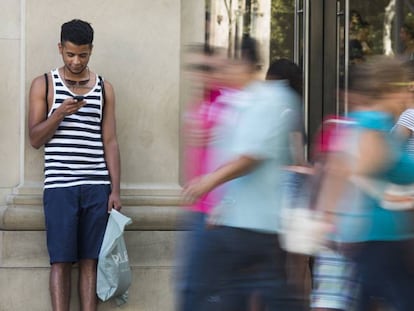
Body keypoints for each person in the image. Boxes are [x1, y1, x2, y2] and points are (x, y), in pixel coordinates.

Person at [183, 35, 305, 311]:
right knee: (230, 295)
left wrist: (208, 183)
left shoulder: (270, 99)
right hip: (239, 224)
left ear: (247, 65)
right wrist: (221, 204)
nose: (223, 71)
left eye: (230, 64)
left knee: (218, 294)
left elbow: (250, 157)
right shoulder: (239, 102)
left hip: (259, 225)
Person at [28, 19, 121, 311]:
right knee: (60, 261)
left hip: (96, 185)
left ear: (91, 51)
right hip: (59, 187)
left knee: (90, 262)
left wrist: (115, 191)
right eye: (70, 54)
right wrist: (59, 115)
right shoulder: (43, 83)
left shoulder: (105, 88)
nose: (76, 60)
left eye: (82, 54)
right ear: (60, 49)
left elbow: (111, 142)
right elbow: (34, 138)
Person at [315, 56, 414, 311]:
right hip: (376, 231)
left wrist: (327, 214)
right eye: (405, 87)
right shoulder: (374, 122)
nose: (407, 95)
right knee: (401, 299)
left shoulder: (366, 120)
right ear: (390, 88)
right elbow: (363, 165)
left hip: (376, 232)